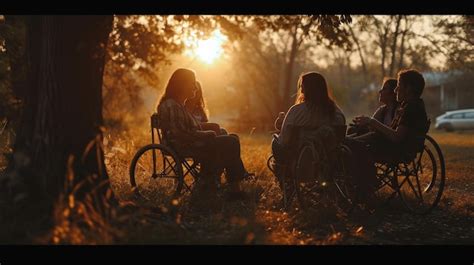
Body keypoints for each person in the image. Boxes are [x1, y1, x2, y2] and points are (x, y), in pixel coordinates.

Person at [156, 68, 251, 199]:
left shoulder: (178, 105)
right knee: (231, 141)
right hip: (184, 146)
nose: (195, 87)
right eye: (192, 83)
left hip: (190, 142)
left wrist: (209, 130)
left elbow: (188, 128)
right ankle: (233, 188)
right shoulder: (171, 105)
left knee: (230, 137)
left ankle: (214, 181)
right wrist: (206, 134)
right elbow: (180, 134)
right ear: (182, 85)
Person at [347, 69, 430, 203]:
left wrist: (372, 122)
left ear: (408, 88)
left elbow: (397, 137)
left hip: (395, 151)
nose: (396, 90)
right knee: (352, 139)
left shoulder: (411, 109)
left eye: (399, 85)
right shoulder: (411, 105)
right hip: (394, 146)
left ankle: (364, 185)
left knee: (351, 145)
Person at [271, 72, 346, 165]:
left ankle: (282, 171)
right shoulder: (337, 112)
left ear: (308, 89)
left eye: (302, 87)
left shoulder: (296, 111)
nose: (301, 91)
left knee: (275, 141)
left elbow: (284, 141)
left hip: (296, 156)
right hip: (329, 157)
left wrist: (281, 128)